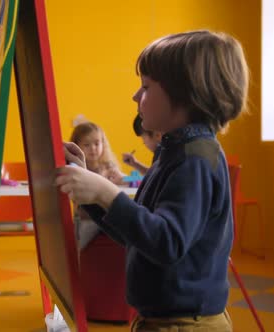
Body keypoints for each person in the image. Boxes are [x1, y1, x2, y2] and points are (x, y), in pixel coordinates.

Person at [56, 30, 249, 331]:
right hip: (163, 320)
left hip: (184, 326)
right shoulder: (173, 151)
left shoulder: (195, 159)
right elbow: (136, 233)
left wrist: (107, 193)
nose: (136, 96)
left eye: (145, 87)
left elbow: (167, 242)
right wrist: (92, 192)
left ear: (185, 94)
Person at [69, 122, 127, 250]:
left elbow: (124, 181)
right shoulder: (77, 168)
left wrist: (120, 180)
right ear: (77, 147)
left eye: (97, 143)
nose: (93, 148)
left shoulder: (108, 166)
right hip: (87, 219)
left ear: (103, 144)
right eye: (86, 145)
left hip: (110, 218)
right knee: (75, 249)